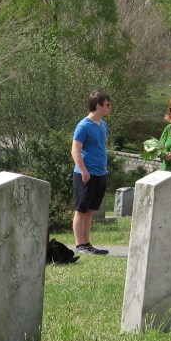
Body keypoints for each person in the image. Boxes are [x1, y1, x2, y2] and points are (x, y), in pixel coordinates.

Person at [71, 90, 111, 255]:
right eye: (107, 105)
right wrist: (83, 171)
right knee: (81, 209)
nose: (109, 108)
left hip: (100, 173)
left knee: (91, 210)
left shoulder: (102, 125)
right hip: (86, 174)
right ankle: (80, 245)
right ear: (97, 105)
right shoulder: (83, 126)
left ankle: (87, 243)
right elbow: (75, 150)